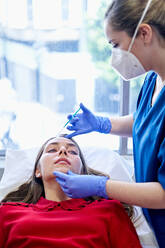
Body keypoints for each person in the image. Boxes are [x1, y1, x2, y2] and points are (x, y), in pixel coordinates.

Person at [53, 0, 165, 247]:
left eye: (116, 44)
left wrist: (101, 186)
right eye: (52, 150)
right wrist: (102, 124)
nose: (114, 56)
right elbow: (149, 121)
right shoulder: (153, 80)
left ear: (144, 33)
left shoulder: (106, 215)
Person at [0, 134, 142, 248]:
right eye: (52, 150)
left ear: (82, 172)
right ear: (38, 171)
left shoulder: (110, 210)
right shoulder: (7, 213)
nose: (63, 151)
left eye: (73, 151)